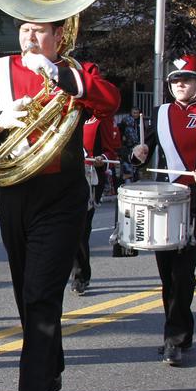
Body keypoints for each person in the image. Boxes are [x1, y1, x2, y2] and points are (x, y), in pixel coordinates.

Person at [0, 18, 119, 391]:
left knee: (40, 294)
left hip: (62, 197)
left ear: (59, 36)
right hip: (14, 194)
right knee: (25, 292)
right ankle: (51, 363)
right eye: (25, 30)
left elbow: (109, 102)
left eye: (41, 31)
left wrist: (61, 76)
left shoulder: (78, 72)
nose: (30, 38)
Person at [129, 55, 196, 366]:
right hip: (165, 202)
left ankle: (172, 339)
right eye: (175, 80)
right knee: (167, 275)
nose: (180, 85)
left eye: (186, 80)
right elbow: (143, 155)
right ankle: (182, 331)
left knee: (182, 272)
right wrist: (138, 154)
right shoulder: (161, 114)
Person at [72, 111, 121, 295]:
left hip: (89, 177)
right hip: (61, 175)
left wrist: (103, 160)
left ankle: (80, 276)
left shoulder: (101, 118)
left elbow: (110, 152)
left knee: (80, 228)